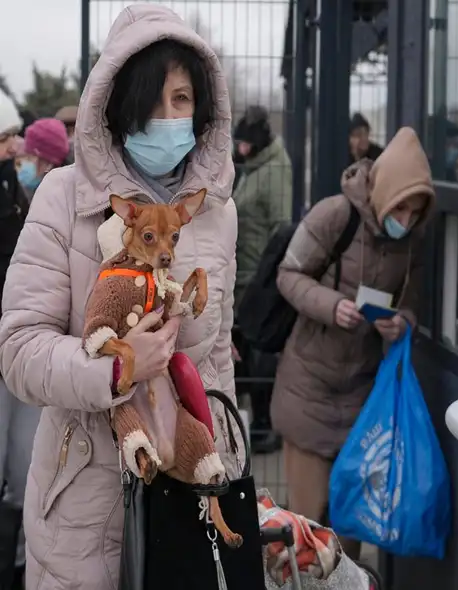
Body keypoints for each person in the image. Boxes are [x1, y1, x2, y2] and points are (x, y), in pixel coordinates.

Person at [0, 6, 239, 589]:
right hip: (81, 511)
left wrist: (222, 475)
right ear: (116, 106)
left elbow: (217, 355)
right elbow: (19, 348)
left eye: (182, 100)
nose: (168, 118)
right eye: (151, 101)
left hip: (182, 500)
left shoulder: (215, 214)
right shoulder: (62, 197)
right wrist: (114, 368)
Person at [271, 126, 433, 563]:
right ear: (383, 191)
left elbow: (412, 305)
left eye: (416, 212)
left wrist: (402, 324)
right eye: (402, 207)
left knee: (350, 533)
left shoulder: (411, 243)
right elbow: (288, 275)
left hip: (363, 400)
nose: (407, 219)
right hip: (309, 391)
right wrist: (332, 306)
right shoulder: (333, 215)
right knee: (306, 533)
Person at [231, 105, 292, 454]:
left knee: (260, 355)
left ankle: (266, 425)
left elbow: (279, 227)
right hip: (243, 275)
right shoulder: (252, 169)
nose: (239, 150)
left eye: (243, 144)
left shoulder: (275, 170)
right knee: (246, 353)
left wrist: (268, 278)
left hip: (259, 278)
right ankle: (253, 422)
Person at [0, 88, 33, 590]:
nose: (13, 149)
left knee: (27, 471)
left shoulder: (17, 194)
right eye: (4, 139)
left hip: (21, 352)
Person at [15, 118, 70, 198]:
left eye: (30, 157)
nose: (22, 164)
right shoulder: (32, 193)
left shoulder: (62, 199)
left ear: (49, 162)